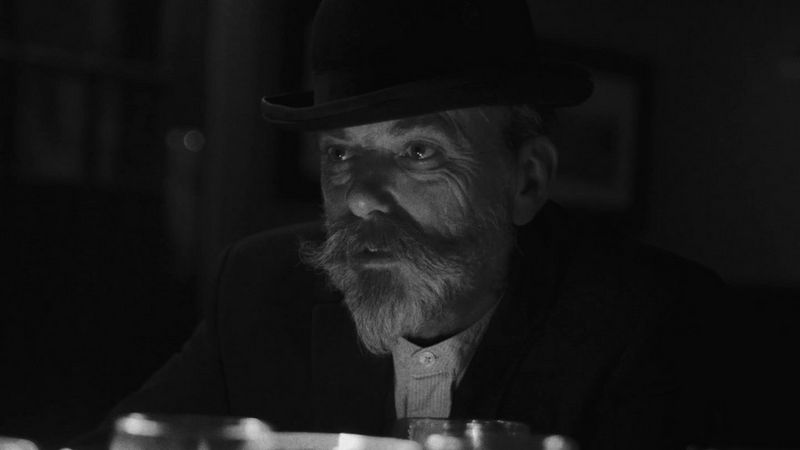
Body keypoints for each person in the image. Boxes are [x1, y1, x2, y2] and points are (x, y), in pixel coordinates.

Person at [72, 0, 723, 448]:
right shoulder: (259, 290)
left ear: (525, 179)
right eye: (340, 152)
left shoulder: (648, 320)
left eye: (418, 150)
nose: (357, 199)